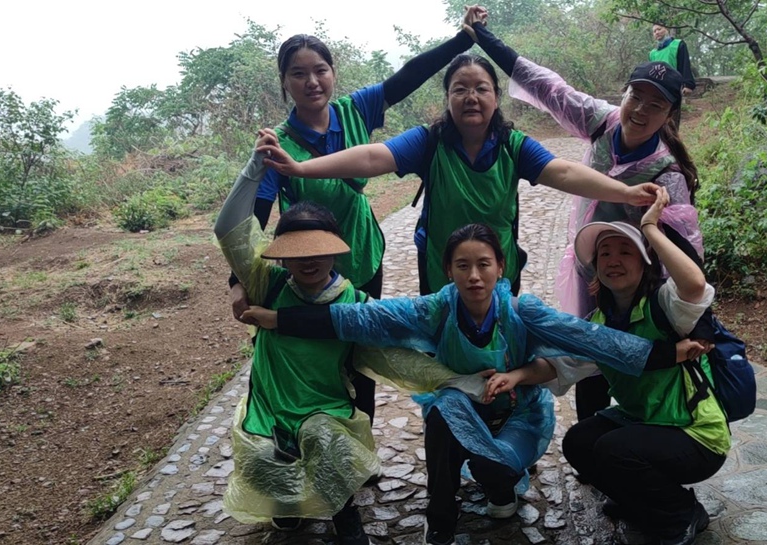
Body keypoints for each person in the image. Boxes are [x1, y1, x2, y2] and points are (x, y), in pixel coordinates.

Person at [241, 223, 706, 545]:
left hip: (518, 416)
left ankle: (502, 487)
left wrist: (666, 354)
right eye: (462, 265)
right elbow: (359, 317)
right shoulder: (435, 309)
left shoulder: (523, 311)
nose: (474, 276)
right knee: (444, 409)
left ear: (501, 267)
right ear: (449, 270)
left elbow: (592, 338)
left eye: (484, 264)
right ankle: (440, 518)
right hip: (463, 410)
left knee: (495, 466)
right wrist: (279, 319)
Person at [228, 10, 482, 423]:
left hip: (362, 254)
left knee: (362, 352)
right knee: (318, 355)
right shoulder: (278, 143)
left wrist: (462, 40)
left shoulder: (356, 110)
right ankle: (313, 433)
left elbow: (408, 76)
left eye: (320, 70)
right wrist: (238, 281)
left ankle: (360, 438)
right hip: (309, 267)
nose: (312, 82)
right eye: (298, 74)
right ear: (284, 82)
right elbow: (253, 218)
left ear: (333, 73)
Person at [256, 53, 660, 296]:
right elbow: (372, 158)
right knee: (444, 365)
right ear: (447, 98)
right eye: (460, 89)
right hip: (441, 273)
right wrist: (300, 168)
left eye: (481, 88)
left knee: (498, 361)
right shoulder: (429, 142)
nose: (471, 97)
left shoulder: (512, 145)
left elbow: (564, 172)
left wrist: (625, 193)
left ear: (496, 98)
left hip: (499, 271)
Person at [467, 18, 706, 418]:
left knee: (630, 356)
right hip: (589, 267)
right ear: (624, 94)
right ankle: (590, 433)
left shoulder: (667, 174)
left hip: (634, 282)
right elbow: (547, 87)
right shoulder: (602, 121)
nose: (641, 110)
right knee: (585, 350)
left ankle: (639, 430)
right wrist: (486, 39)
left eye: (656, 105)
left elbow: (685, 249)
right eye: (636, 96)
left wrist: (680, 316)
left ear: (670, 114)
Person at [486, 189, 727, 545]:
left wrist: (650, 227)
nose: (614, 260)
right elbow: (560, 365)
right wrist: (515, 376)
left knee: (615, 450)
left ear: (644, 262)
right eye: (605, 253)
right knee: (579, 443)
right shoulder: (599, 323)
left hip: (696, 433)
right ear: (596, 266)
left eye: (626, 252)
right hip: (643, 423)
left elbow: (694, 286)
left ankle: (681, 512)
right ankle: (639, 501)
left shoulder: (664, 305)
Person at [212, 137, 378, 541]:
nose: (309, 260)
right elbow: (228, 230)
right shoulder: (267, 283)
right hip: (269, 409)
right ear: (281, 255)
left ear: (335, 250)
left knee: (325, 441)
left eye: (317, 249)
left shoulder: (355, 302)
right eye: (298, 251)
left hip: (325, 409)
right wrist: (255, 167)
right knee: (262, 456)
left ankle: (344, 513)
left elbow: (398, 344)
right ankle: (286, 502)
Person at [649, 24, 696, 129]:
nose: (657, 32)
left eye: (659, 29)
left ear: (666, 29)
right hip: (657, 90)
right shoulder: (653, 53)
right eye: (654, 31)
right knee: (657, 121)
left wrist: (688, 84)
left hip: (673, 88)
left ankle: (672, 138)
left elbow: (684, 64)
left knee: (672, 120)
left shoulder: (678, 44)